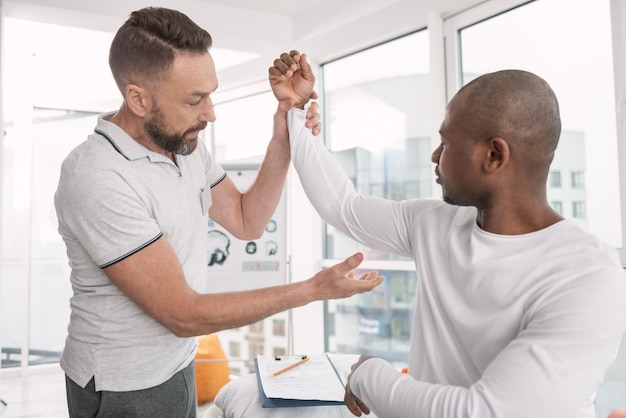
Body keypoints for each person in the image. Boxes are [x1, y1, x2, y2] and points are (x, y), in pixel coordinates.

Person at [53, 9, 384, 418]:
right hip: (123, 383)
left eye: (210, 94)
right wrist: (313, 289)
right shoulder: (97, 176)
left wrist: (283, 131)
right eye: (194, 100)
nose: (210, 113)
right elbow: (183, 313)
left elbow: (248, 220)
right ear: (138, 99)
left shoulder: (184, 148)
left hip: (176, 362)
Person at [269, 51, 626, 417]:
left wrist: (365, 372)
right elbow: (343, 207)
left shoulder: (588, 277)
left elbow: (483, 413)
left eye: (447, 143)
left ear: (493, 155)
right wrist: (296, 112)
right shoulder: (435, 222)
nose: (435, 156)